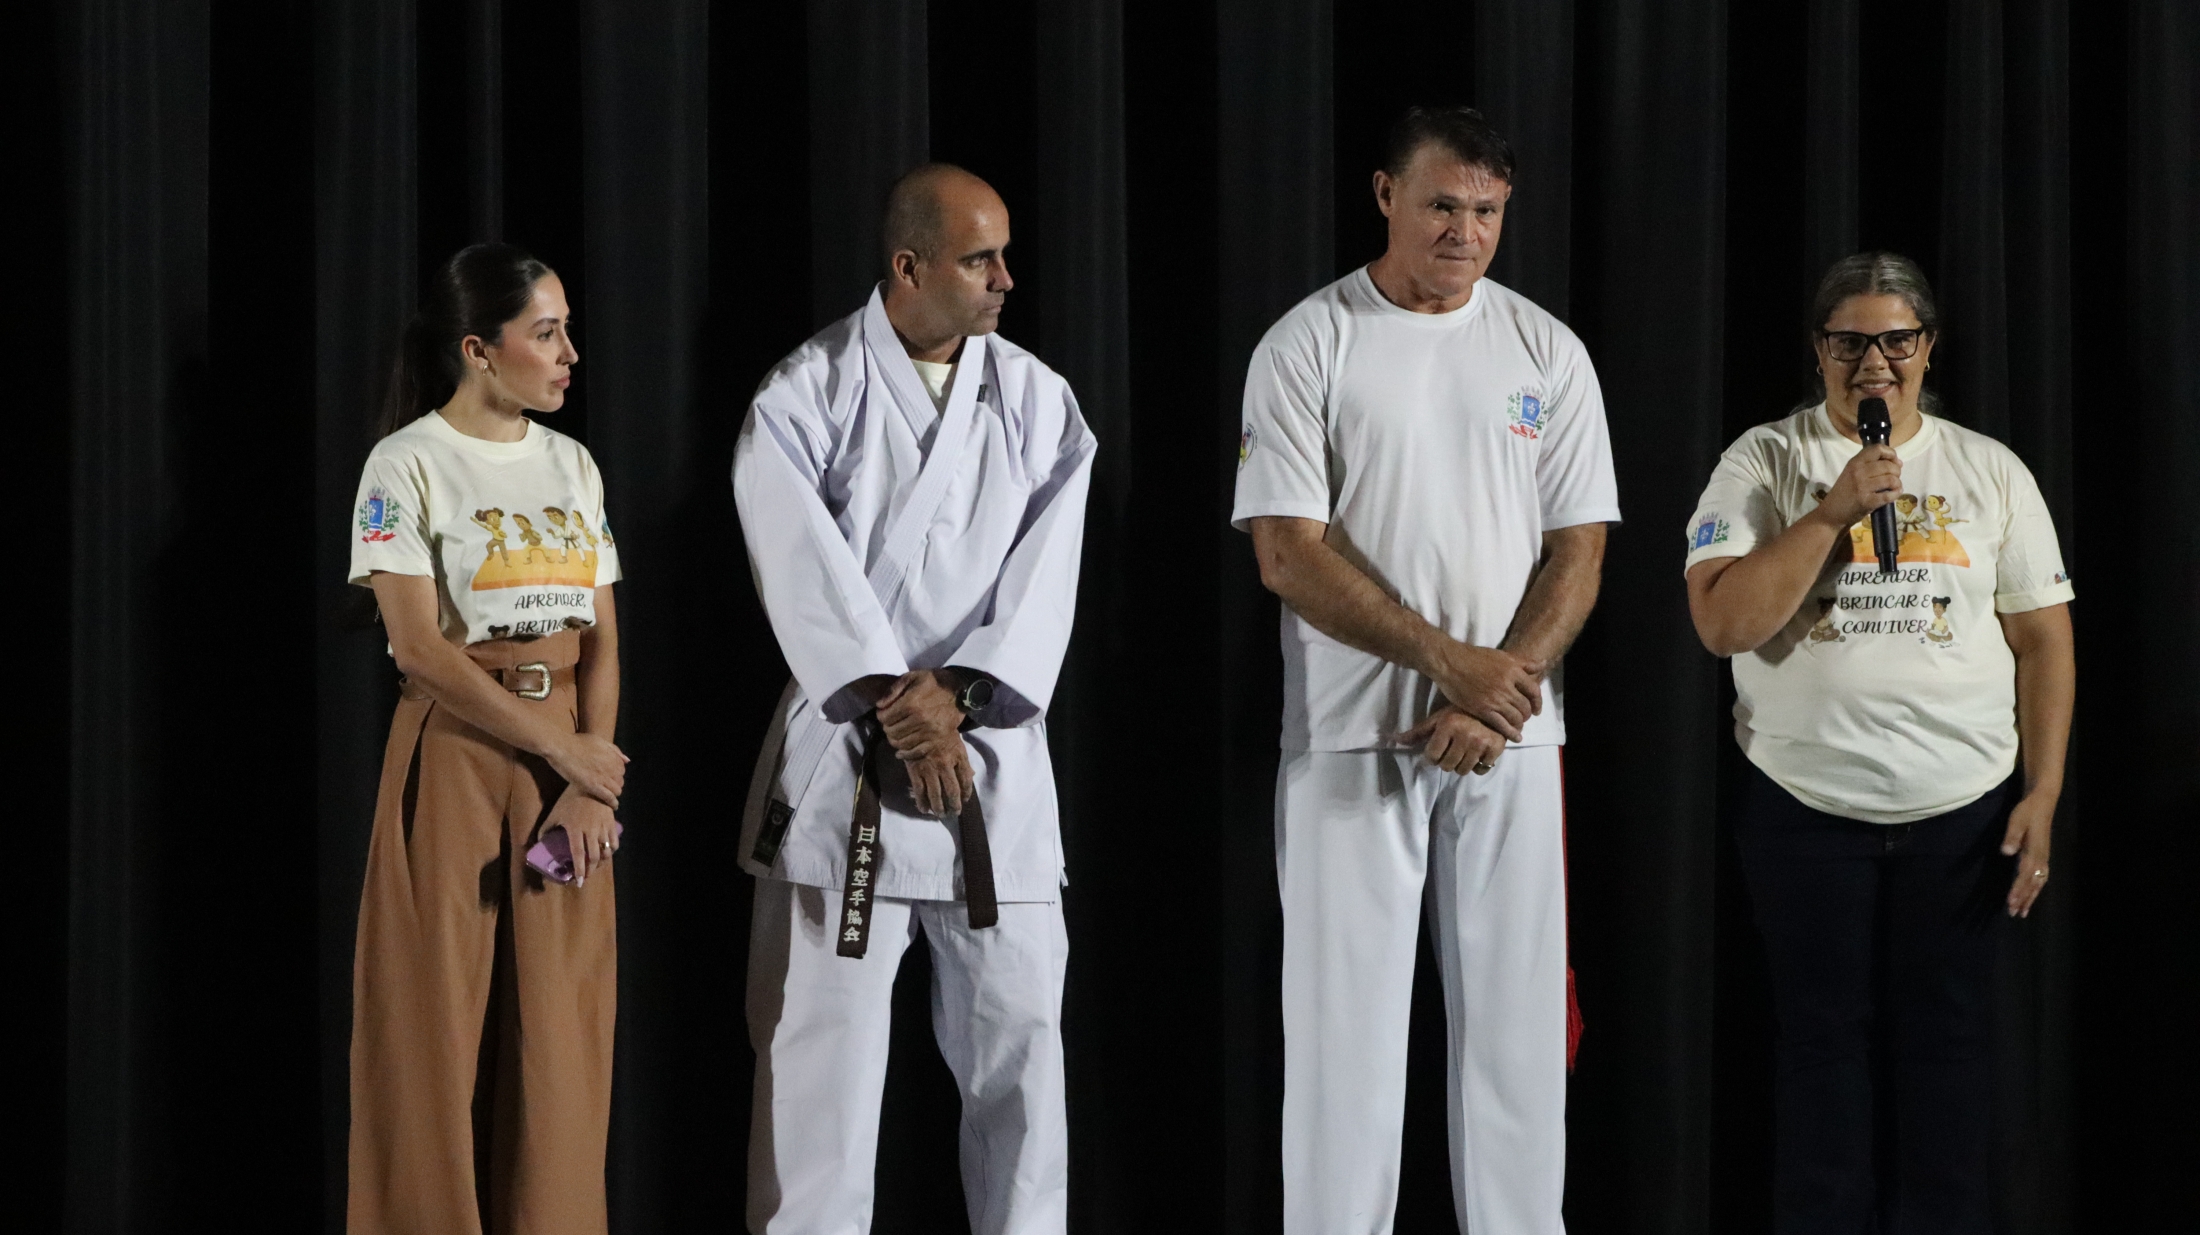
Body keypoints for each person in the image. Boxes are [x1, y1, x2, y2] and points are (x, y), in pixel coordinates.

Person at [1233, 106, 1620, 1234]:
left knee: (1515, 1041)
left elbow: (1579, 550)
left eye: (1486, 210)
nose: (1465, 232)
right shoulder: (1308, 342)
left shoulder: (1546, 349)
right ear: (1384, 195)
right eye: (1442, 205)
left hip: (1511, 740)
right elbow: (1285, 552)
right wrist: (1451, 664)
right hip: (1351, 738)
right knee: (1342, 1040)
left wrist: (1499, 695)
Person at [733, 163, 1096, 1235]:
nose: (1006, 279)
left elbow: (1047, 580)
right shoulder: (806, 391)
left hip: (991, 764)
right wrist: (900, 702)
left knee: (1024, 1061)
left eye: (1004, 255)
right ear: (908, 266)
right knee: (818, 1082)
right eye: (980, 260)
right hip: (849, 767)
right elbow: (798, 567)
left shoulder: (1039, 399)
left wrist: (960, 695)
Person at [1683, 252, 2074, 1234]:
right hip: (1803, 809)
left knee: (1950, 1049)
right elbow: (1722, 623)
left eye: (1895, 340)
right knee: (1821, 1048)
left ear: (1927, 349)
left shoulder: (1989, 469)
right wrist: (1832, 511)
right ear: (1819, 350)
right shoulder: (1761, 461)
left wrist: (2042, 793)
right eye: (1850, 341)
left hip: (1962, 812)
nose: (1873, 362)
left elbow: (2042, 641)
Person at [346, 243, 627, 1234]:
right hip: (457, 751)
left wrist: (589, 775)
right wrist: (564, 752)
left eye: (566, 330)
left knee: (560, 1035)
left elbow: (602, 639)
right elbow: (420, 648)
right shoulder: (406, 462)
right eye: (545, 333)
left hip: (566, 765)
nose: (569, 354)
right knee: (432, 1024)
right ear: (478, 349)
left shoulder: (573, 464)